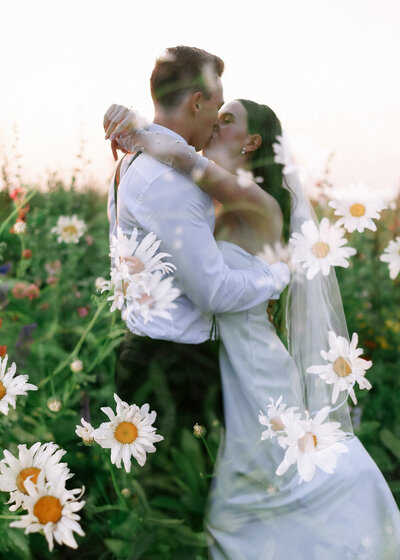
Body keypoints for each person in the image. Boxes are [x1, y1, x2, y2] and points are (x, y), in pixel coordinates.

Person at [105, 96, 400, 558]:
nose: (214, 126)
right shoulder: (209, 197)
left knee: (266, 486)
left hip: (254, 367)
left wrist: (138, 126)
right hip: (219, 360)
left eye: (226, 120)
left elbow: (183, 154)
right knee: (232, 495)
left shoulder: (254, 200)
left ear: (252, 143)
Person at [105, 46, 290, 444]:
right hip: (174, 370)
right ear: (196, 101)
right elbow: (215, 293)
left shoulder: (131, 158)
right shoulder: (170, 183)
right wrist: (275, 278)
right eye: (217, 107)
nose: (217, 121)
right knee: (180, 501)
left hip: (154, 354)